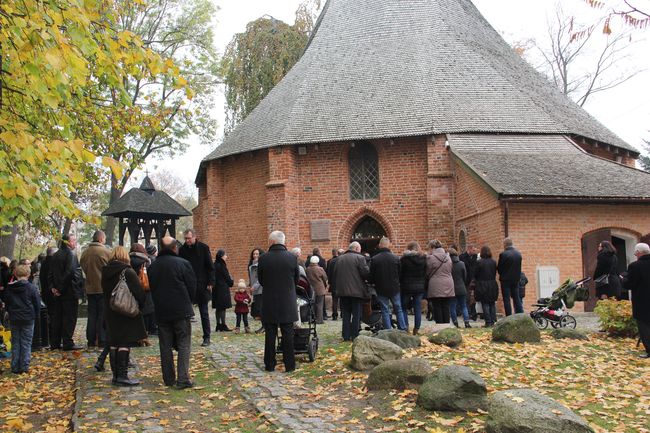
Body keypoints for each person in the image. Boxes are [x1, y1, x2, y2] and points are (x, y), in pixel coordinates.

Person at [148, 236, 197, 389]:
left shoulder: (153, 267)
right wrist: (188, 301)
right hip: (181, 310)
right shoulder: (183, 264)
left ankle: (168, 378)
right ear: (175, 248)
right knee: (183, 343)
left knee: (165, 345)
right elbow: (192, 286)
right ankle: (183, 378)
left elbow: (152, 288)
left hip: (162, 311)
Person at [100, 246, 147, 386]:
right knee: (124, 343)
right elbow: (139, 293)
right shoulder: (127, 272)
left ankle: (115, 376)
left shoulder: (105, 271)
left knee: (114, 343)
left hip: (110, 311)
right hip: (125, 311)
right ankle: (122, 376)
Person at [258, 231, 299, 372]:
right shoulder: (292, 258)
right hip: (287, 301)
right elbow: (296, 280)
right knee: (288, 334)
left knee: (270, 334)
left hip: (269, 301)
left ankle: (269, 364)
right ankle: (290, 365)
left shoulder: (263, 258)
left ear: (272, 242)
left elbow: (261, 280)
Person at [179, 229, 215, 347]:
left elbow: (210, 266)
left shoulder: (203, 248)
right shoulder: (182, 250)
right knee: (185, 314)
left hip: (202, 284)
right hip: (187, 285)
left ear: (194, 237)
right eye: (185, 239)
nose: (187, 241)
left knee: (204, 312)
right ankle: (184, 338)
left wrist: (210, 282)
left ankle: (207, 337)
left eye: (189, 238)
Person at [2, 264, 40, 374]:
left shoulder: (9, 288)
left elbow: (7, 303)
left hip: (14, 318)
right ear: (28, 274)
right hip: (28, 318)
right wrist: (35, 315)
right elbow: (36, 303)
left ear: (15, 274)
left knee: (16, 342)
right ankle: (24, 366)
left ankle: (15, 365)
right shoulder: (31, 288)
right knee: (26, 342)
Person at [48, 234, 83, 350]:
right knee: (69, 318)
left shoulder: (55, 255)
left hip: (57, 292)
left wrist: (53, 287)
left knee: (58, 317)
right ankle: (67, 342)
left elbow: (51, 273)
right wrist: (60, 288)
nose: (75, 243)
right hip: (69, 291)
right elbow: (70, 273)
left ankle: (55, 342)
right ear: (68, 242)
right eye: (73, 241)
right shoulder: (71, 255)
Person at [80, 230, 111, 348]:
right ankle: (102, 339)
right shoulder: (105, 252)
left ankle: (91, 339)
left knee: (92, 315)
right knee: (102, 315)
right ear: (101, 239)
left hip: (90, 287)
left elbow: (83, 267)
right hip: (102, 288)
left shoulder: (85, 253)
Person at [333, 242, 370, 341]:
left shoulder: (339, 259)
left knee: (346, 314)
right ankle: (354, 335)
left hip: (342, 291)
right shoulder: (360, 258)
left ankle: (345, 335)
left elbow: (335, 274)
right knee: (356, 314)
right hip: (356, 291)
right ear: (357, 248)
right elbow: (366, 273)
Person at [369, 237, 406, 331]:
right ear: (389, 245)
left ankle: (388, 330)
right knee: (398, 308)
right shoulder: (396, 258)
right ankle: (402, 328)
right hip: (394, 287)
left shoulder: (375, 259)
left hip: (381, 287)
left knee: (385, 310)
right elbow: (400, 273)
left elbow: (371, 275)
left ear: (380, 245)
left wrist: (374, 283)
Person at [623, 243, 650, 358]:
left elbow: (630, 284)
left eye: (635, 252)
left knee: (644, 326)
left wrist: (623, 279)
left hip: (642, 300)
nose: (634, 254)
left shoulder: (635, 266)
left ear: (639, 252)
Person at [399, 241, 427, 335]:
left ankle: (406, 327)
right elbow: (425, 273)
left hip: (406, 286)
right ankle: (416, 329)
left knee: (403, 307)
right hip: (419, 287)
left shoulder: (404, 259)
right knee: (417, 308)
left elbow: (400, 273)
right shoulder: (423, 259)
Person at [426, 240, 454, 324]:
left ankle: (440, 326)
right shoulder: (448, 257)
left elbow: (427, 272)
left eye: (429, 248)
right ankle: (446, 326)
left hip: (435, 284)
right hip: (448, 283)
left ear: (433, 248)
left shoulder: (430, 258)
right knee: (446, 306)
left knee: (437, 306)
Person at [497, 238, 523, 316]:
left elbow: (500, 268)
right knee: (516, 297)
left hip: (505, 280)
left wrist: (502, 274)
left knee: (506, 298)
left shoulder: (503, 254)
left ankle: (509, 316)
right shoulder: (518, 254)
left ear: (505, 244)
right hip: (516, 279)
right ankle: (520, 314)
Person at [474, 246, 499, 327]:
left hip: (482, 284)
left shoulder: (479, 262)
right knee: (492, 303)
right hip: (492, 284)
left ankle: (488, 322)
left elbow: (475, 274)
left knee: (485, 303)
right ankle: (492, 321)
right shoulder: (493, 262)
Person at [449, 248, 471, 328]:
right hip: (461, 287)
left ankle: (455, 323)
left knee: (452, 306)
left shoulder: (448, 264)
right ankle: (466, 322)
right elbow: (465, 276)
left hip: (452, 288)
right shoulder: (461, 263)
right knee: (463, 305)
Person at [213, 249, 234, 332]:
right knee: (222, 307)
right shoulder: (222, 265)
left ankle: (218, 325)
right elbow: (226, 276)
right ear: (222, 256)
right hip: (222, 289)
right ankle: (223, 325)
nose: (226, 257)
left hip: (216, 289)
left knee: (218, 308)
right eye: (225, 255)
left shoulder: (214, 264)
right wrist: (231, 282)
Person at [306, 255, 328, 324]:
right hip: (320, 289)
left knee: (312, 304)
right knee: (319, 304)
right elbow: (325, 278)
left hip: (311, 289)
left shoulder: (307, 269)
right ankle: (319, 320)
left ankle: (312, 318)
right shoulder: (320, 269)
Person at [326, 249, 343, 320]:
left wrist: (329, 282)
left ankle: (335, 315)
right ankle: (343, 314)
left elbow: (328, 273)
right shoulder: (342, 261)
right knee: (342, 300)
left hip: (334, 283)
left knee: (335, 300)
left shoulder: (331, 261)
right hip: (341, 283)